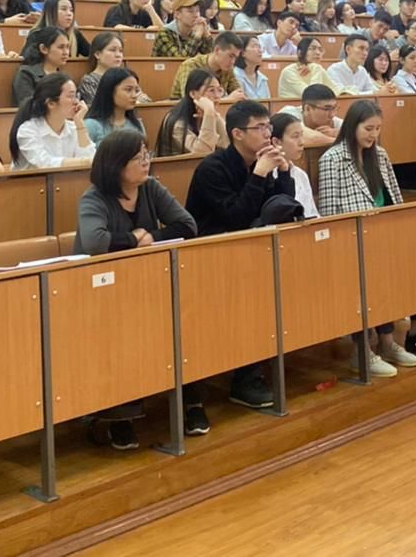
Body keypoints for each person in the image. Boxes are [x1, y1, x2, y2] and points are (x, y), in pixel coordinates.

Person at [77, 128, 201, 441]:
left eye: (147, 155)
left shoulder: (150, 188)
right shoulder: (94, 197)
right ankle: (118, 416)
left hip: (147, 283)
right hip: (100, 290)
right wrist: (133, 239)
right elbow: (95, 242)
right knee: (119, 332)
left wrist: (153, 237)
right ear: (116, 165)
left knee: (185, 318)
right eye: (137, 158)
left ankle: (190, 402)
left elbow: (188, 226)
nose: (146, 162)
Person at [185, 100, 296, 410]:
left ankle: (250, 373)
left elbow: (281, 209)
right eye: (260, 128)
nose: (268, 134)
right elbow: (234, 217)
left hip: (251, 249)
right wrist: (259, 175)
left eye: (268, 126)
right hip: (210, 254)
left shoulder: (261, 163)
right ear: (237, 134)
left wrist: (283, 173)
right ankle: (231, 380)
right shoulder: (213, 168)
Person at [317, 100, 416, 376]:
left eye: (378, 129)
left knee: (385, 288)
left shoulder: (381, 155)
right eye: (368, 128)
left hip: (384, 234)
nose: (373, 134)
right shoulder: (332, 158)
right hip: (351, 239)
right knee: (361, 292)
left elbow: (394, 195)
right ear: (353, 126)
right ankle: (361, 351)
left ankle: (387, 343)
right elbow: (329, 209)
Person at [9, 73, 94, 170]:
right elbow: (45, 163)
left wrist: (80, 124)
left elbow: (91, 161)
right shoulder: (28, 130)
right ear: (51, 103)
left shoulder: (74, 128)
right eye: (70, 96)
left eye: (77, 96)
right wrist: (83, 162)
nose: (76, 102)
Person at [158, 69, 229, 156]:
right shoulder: (177, 122)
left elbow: (227, 146)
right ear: (192, 94)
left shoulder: (210, 113)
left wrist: (213, 116)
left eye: (219, 90)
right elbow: (203, 153)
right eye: (211, 90)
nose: (217, 96)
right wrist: (209, 113)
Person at [270, 112, 319, 218]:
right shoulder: (268, 176)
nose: (302, 142)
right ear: (276, 142)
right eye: (295, 136)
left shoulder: (301, 175)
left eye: (302, 135)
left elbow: (314, 214)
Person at [169, 31, 245, 99]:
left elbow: (239, 94)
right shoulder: (190, 66)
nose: (233, 61)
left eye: (235, 58)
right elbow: (190, 99)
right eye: (231, 56)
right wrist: (227, 100)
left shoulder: (227, 69)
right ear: (217, 50)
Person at [83, 67, 146, 146]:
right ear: (110, 91)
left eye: (136, 90)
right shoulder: (91, 125)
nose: (134, 96)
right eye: (128, 90)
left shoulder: (137, 124)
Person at [12, 27, 71, 106]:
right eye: (60, 47)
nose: (66, 52)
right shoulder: (26, 74)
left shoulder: (65, 77)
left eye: (67, 47)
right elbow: (28, 106)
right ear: (44, 49)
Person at [235, 34, 270, 99]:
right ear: (242, 52)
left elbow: (268, 103)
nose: (260, 50)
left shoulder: (263, 79)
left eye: (260, 47)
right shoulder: (235, 75)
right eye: (254, 46)